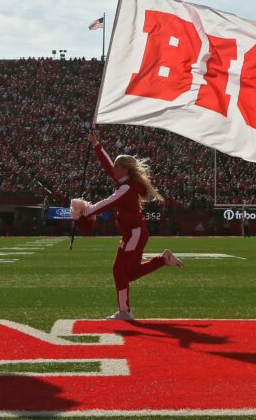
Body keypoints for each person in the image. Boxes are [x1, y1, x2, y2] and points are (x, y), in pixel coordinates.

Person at [72, 130, 183, 320]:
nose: (113, 169)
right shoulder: (125, 180)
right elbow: (108, 166)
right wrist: (96, 144)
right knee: (128, 274)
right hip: (132, 234)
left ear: (124, 169)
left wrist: (85, 212)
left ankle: (125, 311)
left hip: (135, 234)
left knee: (119, 271)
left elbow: (107, 202)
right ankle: (162, 260)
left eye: (117, 167)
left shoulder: (126, 188)